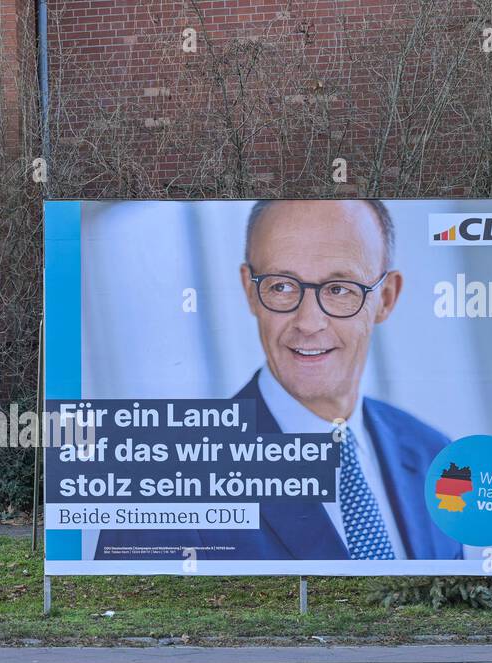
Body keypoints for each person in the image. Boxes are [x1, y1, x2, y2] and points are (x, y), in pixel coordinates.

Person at [96, 199, 462, 562]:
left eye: (339, 289)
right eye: (282, 287)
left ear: (386, 298)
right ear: (251, 291)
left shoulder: (435, 458)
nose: (309, 322)